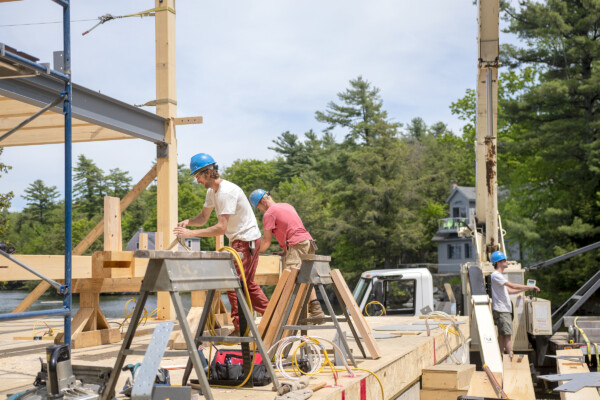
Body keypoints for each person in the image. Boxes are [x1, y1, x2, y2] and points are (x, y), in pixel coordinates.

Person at [173, 153, 269, 336]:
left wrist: (190, 234)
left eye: (198, 176)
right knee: (246, 285)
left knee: (235, 284)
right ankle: (272, 315)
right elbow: (202, 218)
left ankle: (242, 328)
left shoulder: (226, 192)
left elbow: (220, 228)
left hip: (246, 240)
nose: (197, 181)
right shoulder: (212, 192)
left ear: (209, 172)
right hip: (240, 240)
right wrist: (188, 222)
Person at [249, 189, 326, 322]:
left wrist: (254, 253)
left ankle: (284, 315)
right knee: (305, 277)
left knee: (290, 278)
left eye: (259, 207)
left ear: (263, 201)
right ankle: (316, 310)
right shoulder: (287, 206)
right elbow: (293, 228)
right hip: (308, 242)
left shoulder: (269, 214)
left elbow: (266, 242)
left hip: (296, 244)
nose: (260, 210)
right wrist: (287, 251)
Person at [489, 250, 540, 356]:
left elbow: (510, 291)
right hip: (502, 310)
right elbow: (512, 286)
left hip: (502, 309)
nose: (507, 262)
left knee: (503, 334)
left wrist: (525, 290)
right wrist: (528, 286)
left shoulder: (499, 276)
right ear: (498, 263)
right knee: (507, 333)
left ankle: (502, 354)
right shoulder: (496, 275)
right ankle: (510, 355)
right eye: (504, 260)